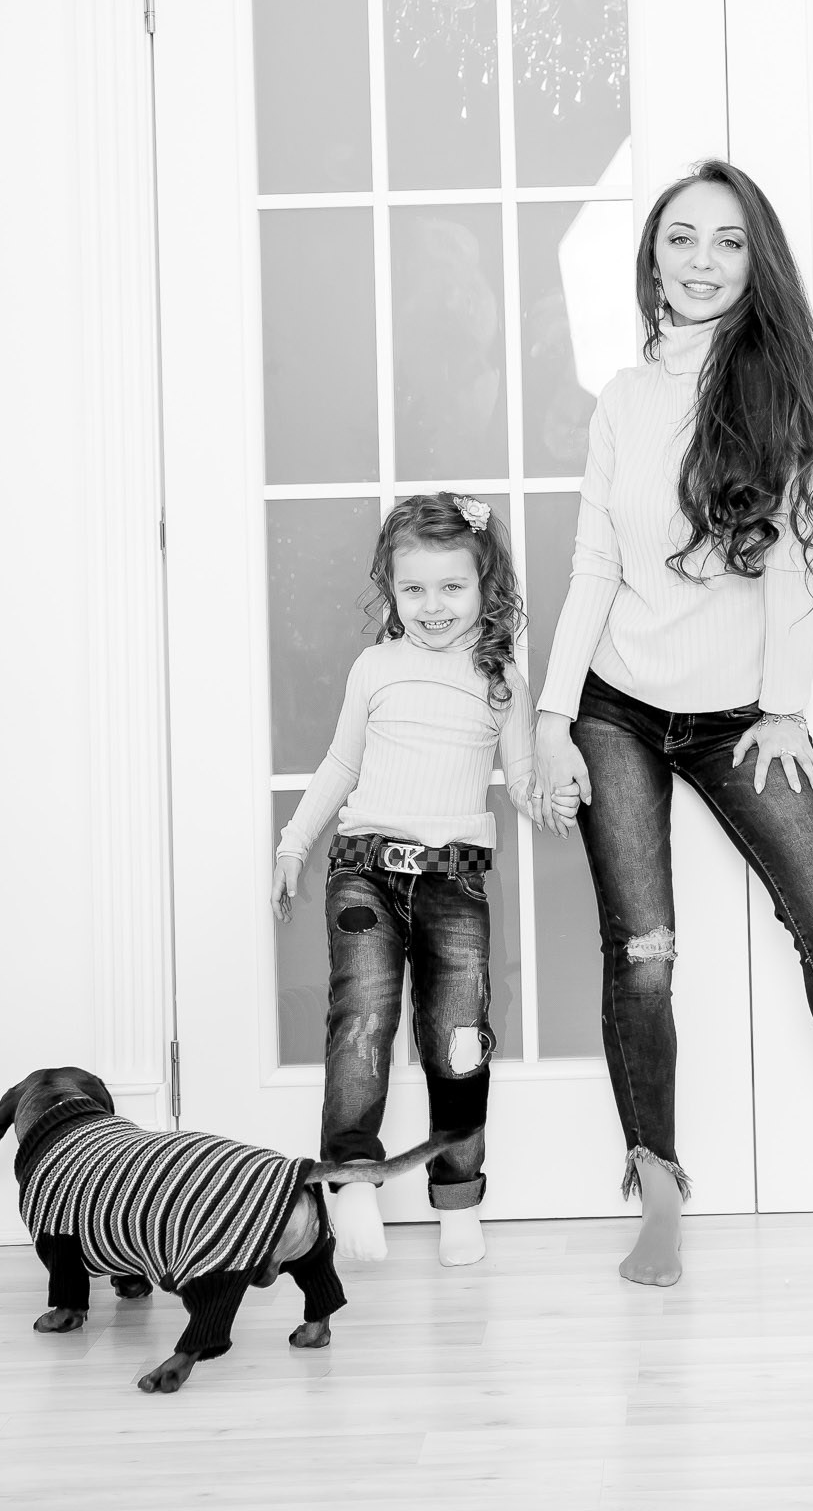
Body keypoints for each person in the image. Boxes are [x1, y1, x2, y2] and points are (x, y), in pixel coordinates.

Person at [534, 159, 813, 1289]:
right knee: (642, 952)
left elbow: (802, 565)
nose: (701, 260)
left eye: (726, 240)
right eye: (680, 238)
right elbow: (596, 564)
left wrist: (784, 709)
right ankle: (658, 1188)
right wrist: (554, 717)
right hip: (617, 703)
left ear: (756, 262)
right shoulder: (624, 399)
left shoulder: (783, 395)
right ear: (653, 259)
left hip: (739, 717)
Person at [271, 493, 579, 1265]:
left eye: (451, 587)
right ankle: (351, 1178)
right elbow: (340, 764)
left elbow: (519, 780)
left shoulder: (499, 678)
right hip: (364, 875)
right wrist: (293, 844)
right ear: (390, 587)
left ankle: (458, 1198)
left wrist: (549, 795)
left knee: (458, 1043)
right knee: (361, 1021)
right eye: (414, 589)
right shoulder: (374, 668)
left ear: (483, 586)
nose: (433, 606)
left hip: (454, 886)